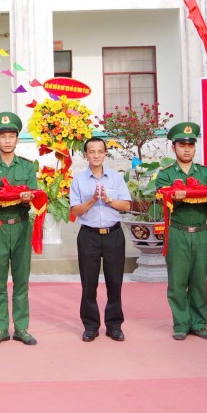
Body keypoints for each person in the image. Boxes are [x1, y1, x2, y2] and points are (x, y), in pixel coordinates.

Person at [155, 122, 207, 341]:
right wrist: (175, 199)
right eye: (182, 145)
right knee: (177, 281)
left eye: (190, 145)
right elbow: (161, 201)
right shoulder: (166, 175)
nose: (186, 150)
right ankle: (181, 324)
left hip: (200, 233)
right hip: (177, 232)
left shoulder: (205, 173)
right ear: (174, 147)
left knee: (199, 280)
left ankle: (199, 324)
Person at [0, 112, 40, 346]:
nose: (7, 140)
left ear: (17, 139)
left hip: (21, 225)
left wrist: (26, 199)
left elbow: (34, 196)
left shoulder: (27, 167)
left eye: (11, 136)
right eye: (2, 136)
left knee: (22, 280)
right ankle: (1, 329)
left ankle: (22, 328)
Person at [69, 136, 132, 342]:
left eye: (100, 151)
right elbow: (75, 211)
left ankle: (114, 325)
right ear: (85, 155)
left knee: (115, 282)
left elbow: (127, 205)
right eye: (92, 152)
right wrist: (93, 200)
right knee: (89, 284)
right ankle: (90, 326)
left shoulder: (115, 178)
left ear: (105, 154)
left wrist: (108, 200)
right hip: (89, 236)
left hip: (113, 235)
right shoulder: (78, 180)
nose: (96, 155)